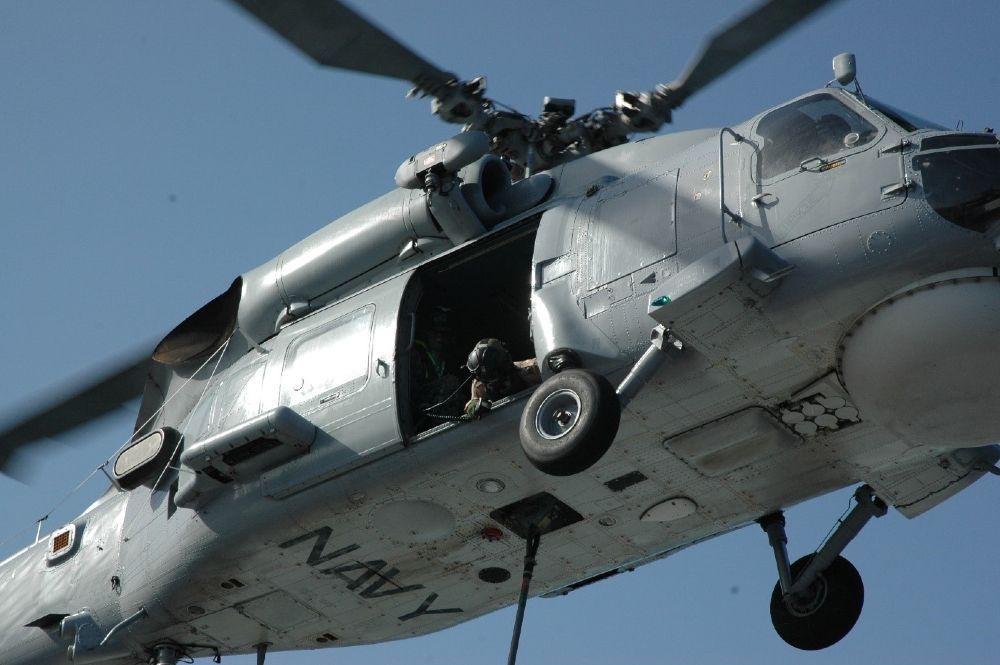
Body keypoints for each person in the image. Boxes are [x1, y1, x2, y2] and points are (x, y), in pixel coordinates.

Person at [411, 306, 465, 425]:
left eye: (444, 333)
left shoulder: (450, 357)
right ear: (426, 333)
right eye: (434, 333)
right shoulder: (416, 356)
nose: (439, 337)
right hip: (422, 411)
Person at [464, 338, 540, 416]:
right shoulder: (480, 385)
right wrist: (474, 408)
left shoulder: (530, 371)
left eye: (491, 375)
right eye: (483, 377)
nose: (490, 382)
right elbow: (471, 405)